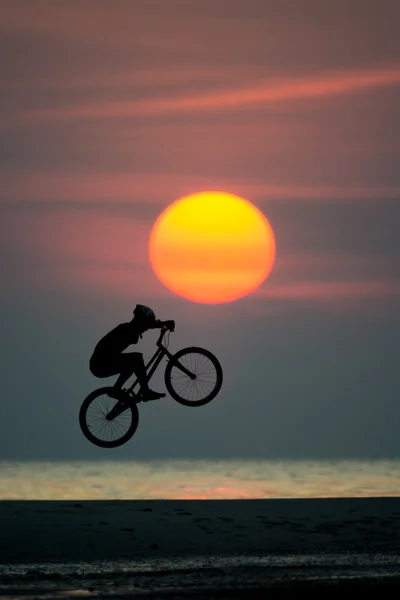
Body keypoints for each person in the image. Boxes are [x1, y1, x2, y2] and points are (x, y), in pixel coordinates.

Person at [90, 304, 175, 401]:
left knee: (131, 363)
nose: (145, 329)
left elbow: (148, 324)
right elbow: (148, 324)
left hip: (101, 362)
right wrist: (162, 324)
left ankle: (116, 390)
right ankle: (145, 391)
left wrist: (161, 324)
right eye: (145, 326)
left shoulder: (130, 328)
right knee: (136, 359)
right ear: (140, 321)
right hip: (100, 364)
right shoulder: (127, 329)